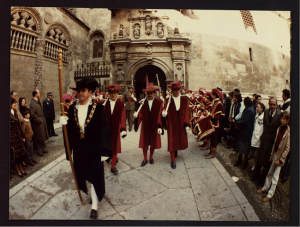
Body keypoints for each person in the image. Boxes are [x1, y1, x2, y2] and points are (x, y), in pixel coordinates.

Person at [60, 78, 111, 219]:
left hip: (94, 149)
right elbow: (69, 131)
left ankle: (94, 205)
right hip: (79, 149)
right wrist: (64, 123)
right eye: (78, 91)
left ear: (90, 92)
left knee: (95, 176)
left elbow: (104, 129)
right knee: (82, 174)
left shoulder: (99, 108)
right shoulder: (71, 109)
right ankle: (90, 195)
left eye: (83, 91)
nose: (80, 93)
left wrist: (105, 151)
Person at [257, 111, 290, 202]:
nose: (282, 120)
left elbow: (287, 148)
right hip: (275, 154)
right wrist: (272, 155)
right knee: (269, 172)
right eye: (281, 118)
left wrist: (281, 159)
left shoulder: (288, 132)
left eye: (284, 119)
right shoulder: (279, 128)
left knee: (275, 177)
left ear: (287, 120)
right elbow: (275, 143)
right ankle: (265, 188)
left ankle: (270, 194)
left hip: (280, 158)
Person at [251, 97, 282, 187]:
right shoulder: (266, 111)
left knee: (267, 163)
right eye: (271, 104)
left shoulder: (280, 114)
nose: (272, 106)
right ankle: (255, 176)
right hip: (264, 140)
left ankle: (262, 180)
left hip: (272, 142)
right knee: (260, 159)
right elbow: (264, 125)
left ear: (276, 105)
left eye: (274, 104)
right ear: (268, 104)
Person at [162, 81, 190, 169]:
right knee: (172, 141)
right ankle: (173, 159)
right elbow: (164, 111)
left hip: (181, 123)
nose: (177, 92)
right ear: (172, 91)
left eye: (178, 90)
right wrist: (164, 114)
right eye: (175, 90)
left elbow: (186, 112)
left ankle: (176, 149)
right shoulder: (167, 100)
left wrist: (186, 124)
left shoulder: (185, 100)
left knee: (180, 139)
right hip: (172, 124)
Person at [134, 85, 163, 166]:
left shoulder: (159, 102)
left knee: (153, 142)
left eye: (151, 93)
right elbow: (140, 114)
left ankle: (151, 157)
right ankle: (145, 158)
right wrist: (136, 117)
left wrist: (160, 126)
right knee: (145, 143)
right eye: (148, 93)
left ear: (154, 93)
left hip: (154, 125)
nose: (150, 95)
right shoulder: (143, 103)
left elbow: (160, 114)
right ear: (146, 94)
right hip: (145, 125)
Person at [103, 84, 127, 175]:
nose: (113, 95)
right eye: (111, 93)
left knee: (114, 147)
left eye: (115, 93)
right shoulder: (104, 104)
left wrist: (123, 129)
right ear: (108, 94)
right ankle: (112, 158)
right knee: (106, 146)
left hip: (116, 129)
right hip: (106, 129)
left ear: (117, 93)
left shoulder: (121, 104)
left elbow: (123, 117)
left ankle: (113, 166)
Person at [233, 97, 255, 169]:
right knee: (240, 148)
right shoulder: (248, 108)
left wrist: (238, 123)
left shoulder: (249, 110)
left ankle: (245, 163)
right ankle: (239, 161)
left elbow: (245, 121)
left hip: (246, 132)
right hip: (243, 131)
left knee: (245, 149)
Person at [203, 89, 224, 159]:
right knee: (212, 138)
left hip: (216, 125)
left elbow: (219, 116)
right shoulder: (215, 102)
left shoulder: (219, 104)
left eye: (212, 94)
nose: (211, 96)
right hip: (212, 124)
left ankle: (213, 153)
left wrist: (209, 114)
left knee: (214, 139)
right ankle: (210, 152)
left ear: (215, 95)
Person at [10, 98, 28, 178]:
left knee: (20, 154)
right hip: (12, 138)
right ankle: (18, 170)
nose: (16, 106)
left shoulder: (15, 112)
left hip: (18, 136)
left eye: (16, 104)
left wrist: (22, 135)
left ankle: (21, 168)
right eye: (14, 105)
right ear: (10, 105)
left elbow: (19, 125)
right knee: (15, 155)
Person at [29, 90, 49, 157]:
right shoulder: (32, 103)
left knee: (42, 137)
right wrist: (39, 120)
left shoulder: (37, 101)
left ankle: (43, 149)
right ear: (35, 94)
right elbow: (33, 114)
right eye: (38, 93)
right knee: (39, 137)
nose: (40, 94)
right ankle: (39, 151)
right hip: (38, 123)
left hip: (41, 120)